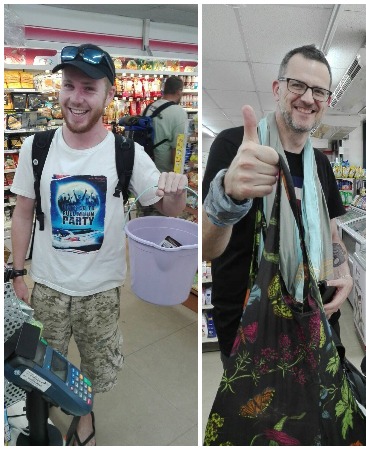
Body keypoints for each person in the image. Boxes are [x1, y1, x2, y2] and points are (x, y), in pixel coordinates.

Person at [9, 43, 188, 446]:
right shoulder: (36, 149)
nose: (76, 97)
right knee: (44, 365)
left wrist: (175, 190)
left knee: (94, 367)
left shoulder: (127, 153)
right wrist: (18, 271)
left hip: (101, 292)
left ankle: (85, 416)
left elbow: (168, 211)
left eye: (89, 88)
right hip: (49, 287)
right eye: (69, 85)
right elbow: (23, 211)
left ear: (109, 94)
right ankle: (49, 408)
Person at [202, 44, 351, 359]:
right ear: (277, 89)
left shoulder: (321, 166)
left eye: (319, 91)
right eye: (297, 85)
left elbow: (333, 233)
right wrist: (227, 195)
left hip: (317, 318)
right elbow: (206, 248)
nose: (308, 98)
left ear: (326, 101)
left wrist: (344, 273)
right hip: (249, 326)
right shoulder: (234, 146)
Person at [140, 76, 188, 216]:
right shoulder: (179, 113)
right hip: (164, 178)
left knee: (146, 213)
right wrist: (178, 177)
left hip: (145, 172)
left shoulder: (149, 107)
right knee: (162, 219)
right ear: (179, 91)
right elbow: (178, 150)